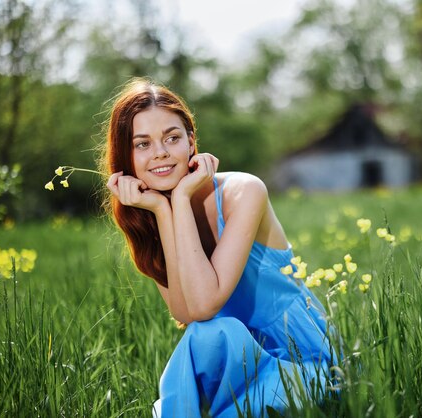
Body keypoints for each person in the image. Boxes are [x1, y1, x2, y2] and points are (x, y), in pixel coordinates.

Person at [102, 78, 336, 417]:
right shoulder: (151, 213)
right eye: (142, 144)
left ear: (191, 142)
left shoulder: (244, 191)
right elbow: (186, 313)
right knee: (209, 335)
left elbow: (203, 306)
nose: (161, 153)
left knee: (216, 331)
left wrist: (180, 196)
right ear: (126, 156)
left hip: (297, 356)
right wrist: (165, 211)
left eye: (172, 138)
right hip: (234, 355)